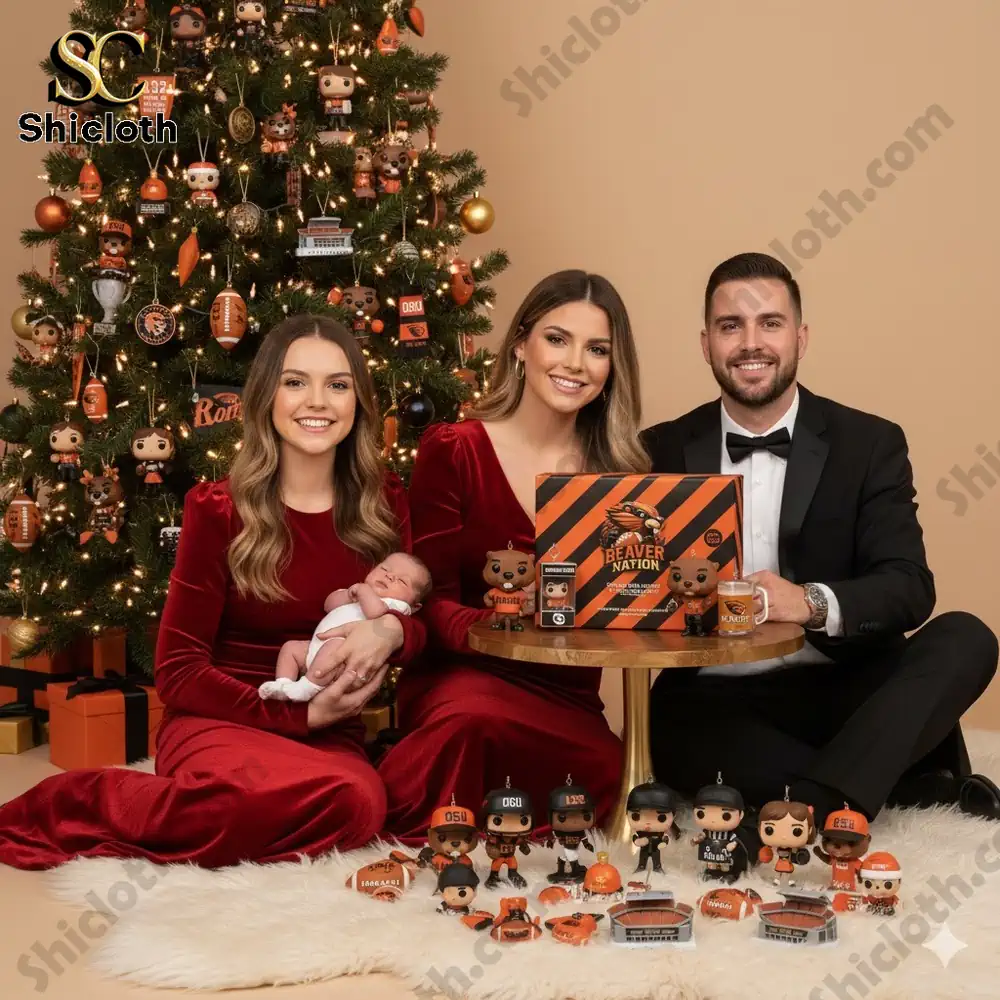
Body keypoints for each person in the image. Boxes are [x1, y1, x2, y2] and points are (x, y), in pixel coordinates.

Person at [0, 316, 425, 869]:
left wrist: (391, 629)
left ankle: (214, 814)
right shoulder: (217, 507)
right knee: (262, 802)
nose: (316, 401)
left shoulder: (385, 502)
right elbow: (177, 670)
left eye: (337, 384)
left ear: (359, 401)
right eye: (295, 382)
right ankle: (83, 802)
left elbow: (419, 620)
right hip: (222, 719)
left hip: (327, 732)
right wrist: (297, 718)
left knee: (359, 804)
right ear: (266, 396)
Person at [643, 252, 1000, 828]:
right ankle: (891, 781)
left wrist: (807, 602)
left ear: (801, 338)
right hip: (714, 700)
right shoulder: (656, 449)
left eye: (771, 323)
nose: (750, 343)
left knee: (968, 637)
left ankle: (808, 805)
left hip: (845, 686)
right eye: (730, 326)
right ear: (705, 343)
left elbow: (908, 587)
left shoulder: (870, 443)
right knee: (678, 734)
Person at [378, 270, 650, 844]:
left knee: (606, 771)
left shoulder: (623, 480)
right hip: (462, 679)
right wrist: (510, 624)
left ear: (612, 367)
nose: (575, 363)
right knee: (471, 722)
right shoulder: (453, 449)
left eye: (597, 349)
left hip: (565, 696)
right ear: (522, 344)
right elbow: (431, 605)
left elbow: (626, 615)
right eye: (558, 339)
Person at [259, 552, 431, 702]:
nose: (389, 576)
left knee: (333, 647)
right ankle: (283, 684)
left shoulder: (398, 606)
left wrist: (365, 592)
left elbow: (375, 613)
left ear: (415, 606)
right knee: (291, 648)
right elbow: (329, 605)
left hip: (344, 659)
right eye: (384, 569)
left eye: (402, 581)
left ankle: (307, 687)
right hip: (316, 648)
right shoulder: (357, 592)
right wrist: (348, 594)